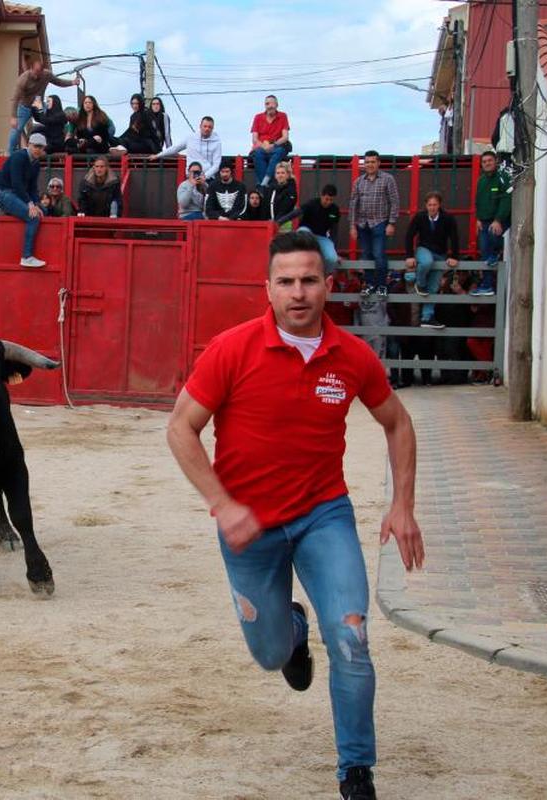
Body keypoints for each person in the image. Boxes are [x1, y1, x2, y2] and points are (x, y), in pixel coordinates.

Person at [166, 230, 423, 800]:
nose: (298, 292)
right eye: (286, 281)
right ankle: (293, 634)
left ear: (329, 286)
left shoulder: (352, 357)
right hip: (249, 530)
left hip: (321, 518)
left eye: (309, 280)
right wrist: (222, 504)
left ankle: (356, 772)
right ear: (268, 287)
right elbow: (181, 428)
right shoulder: (232, 349)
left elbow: (398, 422)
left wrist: (402, 504)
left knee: (353, 640)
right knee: (270, 654)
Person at [403, 191, 460, 329]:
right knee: (427, 262)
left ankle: (427, 317)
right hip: (424, 249)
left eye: (435, 204)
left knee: (434, 287)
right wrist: (409, 255)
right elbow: (409, 235)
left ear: (439, 205)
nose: (432, 207)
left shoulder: (448, 218)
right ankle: (420, 283)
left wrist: (454, 257)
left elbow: (454, 237)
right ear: (426, 205)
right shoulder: (420, 217)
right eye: (430, 205)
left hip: (440, 253)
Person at [0, 132, 47, 268]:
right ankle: (26, 256)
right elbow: (17, 184)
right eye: (36, 146)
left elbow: (32, 188)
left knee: (43, 211)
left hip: (14, 193)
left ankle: (4, 212)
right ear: (29, 145)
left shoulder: (35, 164)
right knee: (33, 217)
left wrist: (36, 204)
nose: (38, 150)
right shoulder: (19, 157)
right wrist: (30, 205)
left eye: (41, 147)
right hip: (1, 192)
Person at [349, 150, 399, 298]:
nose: (369, 165)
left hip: (380, 222)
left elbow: (394, 201)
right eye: (367, 162)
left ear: (378, 163)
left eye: (372, 162)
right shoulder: (358, 181)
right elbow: (353, 205)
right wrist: (352, 226)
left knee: (379, 254)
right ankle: (370, 284)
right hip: (363, 224)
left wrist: (391, 223)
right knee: (366, 255)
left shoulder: (387, 179)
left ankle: (382, 285)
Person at [7, 56, 79, 153]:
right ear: (31, 69)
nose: (37, 76)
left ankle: (56, 141)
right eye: (35, 73)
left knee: (52, 118)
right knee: (17, 128)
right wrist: (13, 116)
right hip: (25, 106)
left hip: (38, 104)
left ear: (42, 71)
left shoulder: (47, 75)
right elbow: (15, 99)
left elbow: (58, 81)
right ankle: (10, 152)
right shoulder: (23, 79)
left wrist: (72, 82)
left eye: (39, 73)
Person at [281, 184, 343, 271]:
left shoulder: (335, 210)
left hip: (321, 236)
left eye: (331, 200)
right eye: (326, 199)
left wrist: (335, 252)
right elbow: (295, 214)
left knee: (332, 259)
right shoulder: (312, 204)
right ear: (321, 196)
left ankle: (325, 277)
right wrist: (279, 222)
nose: (328, 202)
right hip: (306, 232)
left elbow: (334, 232)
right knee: (304, 234)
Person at [473, 151, 510, 297]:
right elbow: (478, 202)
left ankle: (497, 253)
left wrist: (498, 219)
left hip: (497, 221)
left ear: (495, 161)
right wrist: (478, 219)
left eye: (489, 160)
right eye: (484, 161)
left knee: (493, 235)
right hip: (483, 221)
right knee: (484, 254)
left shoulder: (502, 178)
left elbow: (506, 199)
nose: (487, 163)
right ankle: (487, 285)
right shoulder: (481, 181)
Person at [150, 116, 224, 180]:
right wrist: (158, 155)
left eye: (209, 127)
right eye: (205, 126)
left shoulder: (217, 142)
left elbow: (216, 165)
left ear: (212, 128)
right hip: (191, 177)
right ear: (200, 126)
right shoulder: (191, 138)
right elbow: (175, 148)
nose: (207, 129)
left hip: (208, 178)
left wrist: (204, 176)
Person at [250, 94, 291, 187]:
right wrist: (264, 146)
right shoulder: (258, 117)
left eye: (272, 104)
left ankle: (264, 182)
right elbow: (254, 139)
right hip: (262, 146)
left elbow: (285, 137)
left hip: (276, 146)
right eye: (267, 104)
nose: (269, 106)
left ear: (276, 105)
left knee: (279, 152)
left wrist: (273, 145)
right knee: (257, 154)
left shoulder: (283, 116)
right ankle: (266, 185)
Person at [266, 162, 298, 232]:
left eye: (283, 173)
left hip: (284, 226)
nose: (280, 175)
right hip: (271, 225)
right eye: (278, 173)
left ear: (288, 174)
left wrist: (275, 223)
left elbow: (285, 208)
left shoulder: (291, 190)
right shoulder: (272, 188)